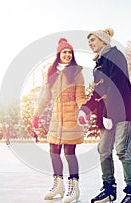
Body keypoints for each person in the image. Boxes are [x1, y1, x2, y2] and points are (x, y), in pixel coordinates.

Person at [79, 28, 131, 203]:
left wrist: (110, 114)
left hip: (122, 112)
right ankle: (109, 190)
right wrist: (85, 108)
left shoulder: (115, 56)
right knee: (104, 150)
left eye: (93, 40)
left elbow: (117, 86)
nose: (90, 43)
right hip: (106, 115)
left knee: (122, 151)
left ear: (103, 40)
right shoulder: (98, 64)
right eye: (89, 41)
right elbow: (97, 93)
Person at [32, 38, 87, 203]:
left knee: (70, 153)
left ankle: (74, 188)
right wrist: (36, 114)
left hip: (71, 116)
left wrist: (83, 110)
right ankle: (58, 185)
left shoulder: (76, 72)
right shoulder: (52, 73)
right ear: (59, 54)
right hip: (57, 117)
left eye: (70, 52)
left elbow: (80, 96)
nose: (68, 55)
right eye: (65, 52)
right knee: (53, 152)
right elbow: (45, 97)